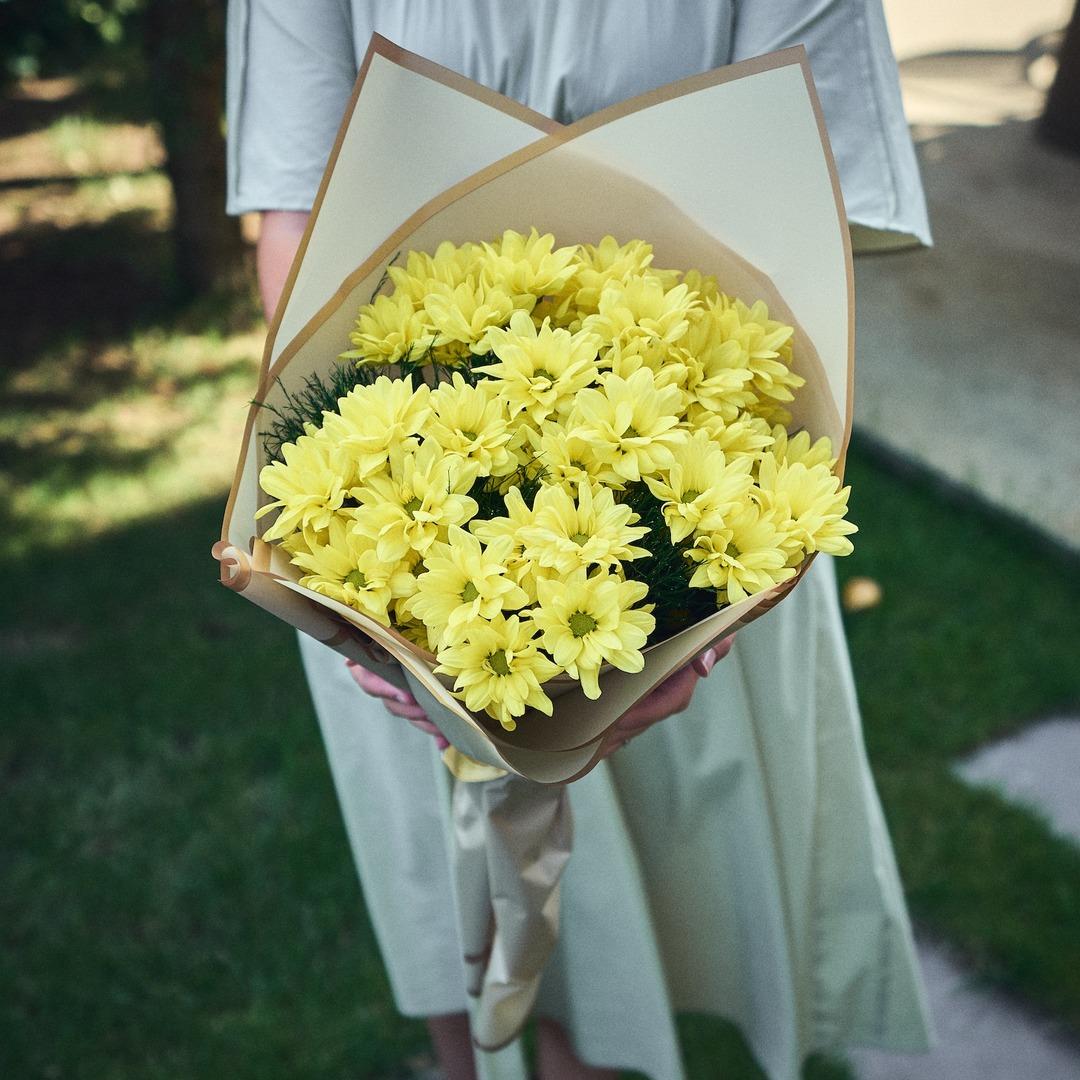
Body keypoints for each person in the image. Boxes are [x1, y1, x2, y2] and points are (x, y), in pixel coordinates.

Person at [225, 3, 934, 1078]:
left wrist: (703, 609)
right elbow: (296, 216)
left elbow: (810, 218)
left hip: (704, 534)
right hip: (387, 516)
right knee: (455, 921)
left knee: (679, 905)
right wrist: (378, 570)